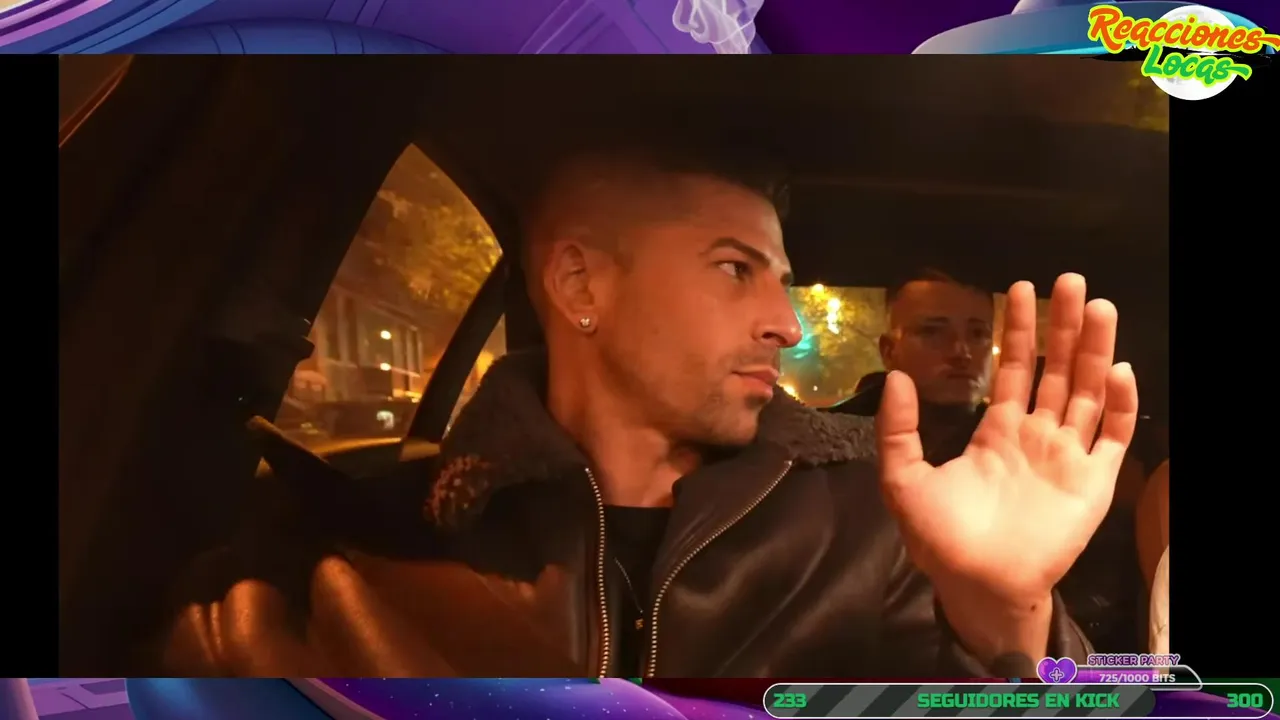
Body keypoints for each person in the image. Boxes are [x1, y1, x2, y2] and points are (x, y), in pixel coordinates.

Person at [163, 144, 1139, 678]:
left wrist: (1007, 611)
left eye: (783, 279)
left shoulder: (884, 519)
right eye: (736, 270)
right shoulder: (348, 547)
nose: (788, 324)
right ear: (580, 284)